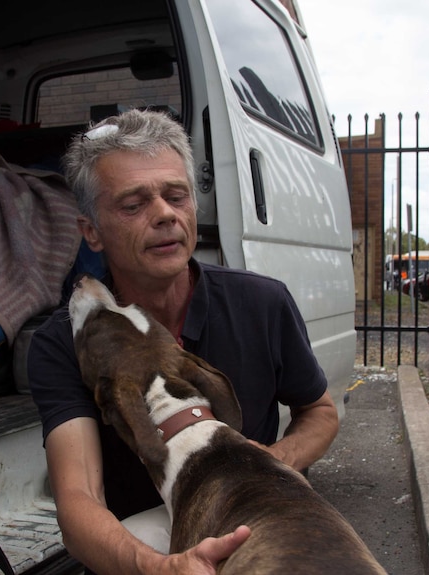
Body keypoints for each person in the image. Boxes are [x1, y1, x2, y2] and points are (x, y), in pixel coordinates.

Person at [27, 109, 339, 574]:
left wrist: (270, 464)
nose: (165, 215)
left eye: (177, 196)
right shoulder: (65, 343)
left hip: (253, 540)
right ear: (91, 232)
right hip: (143, 554)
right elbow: (78, 497)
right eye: (133, 205)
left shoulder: (262, 302)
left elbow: (320, 412)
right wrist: (157, 568)